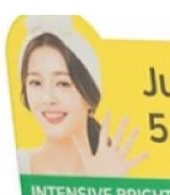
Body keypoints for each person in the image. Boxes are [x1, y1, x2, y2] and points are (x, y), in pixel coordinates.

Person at [17, 20, 147, 177]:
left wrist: (105, 186)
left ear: (89, 93)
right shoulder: (16, 166)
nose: (47, 98)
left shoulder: (111, 174)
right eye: (36, 83)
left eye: (63, 84)